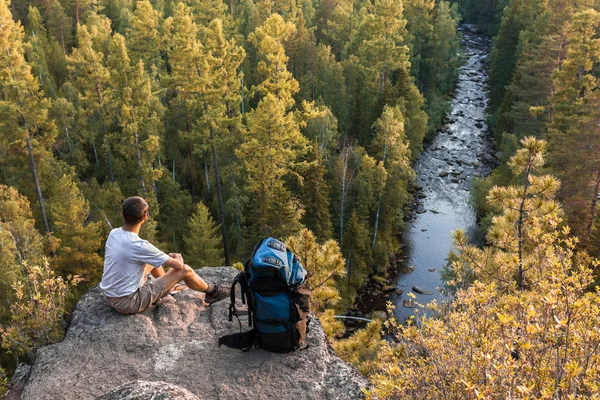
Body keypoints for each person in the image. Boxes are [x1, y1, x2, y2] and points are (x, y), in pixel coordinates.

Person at [100, 196, 229, 315]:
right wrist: (177, 256)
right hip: (128, 303)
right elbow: (178, 265)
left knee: (153, 260)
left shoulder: (114, 233)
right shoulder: (139, 245)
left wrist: (160, 257)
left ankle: (168, 288)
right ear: (145, 217)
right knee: (185, 270)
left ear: (123, 214)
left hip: (110, 295)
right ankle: (212, 292)